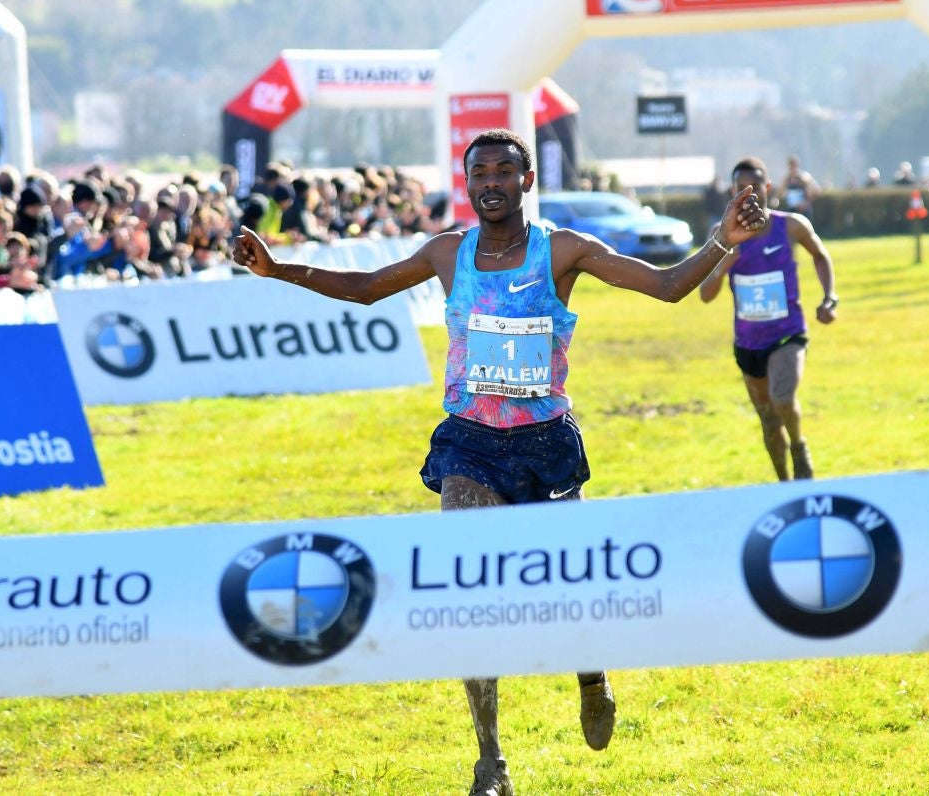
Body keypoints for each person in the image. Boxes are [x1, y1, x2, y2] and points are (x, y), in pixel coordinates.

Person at [233, 128, 768, 796]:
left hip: (544, 440)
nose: (490, 181)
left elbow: (664, 286)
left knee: (568, 590)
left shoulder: (564, 250)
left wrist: (722, 242)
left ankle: (591, 675)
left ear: (526, 180)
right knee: (470, 588)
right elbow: (367, 286)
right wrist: (276, 267)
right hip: (471, 442)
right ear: (468, 183)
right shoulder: (446, 253)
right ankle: (490, 759)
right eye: (478, 171)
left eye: (503, 170)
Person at [700, 157, 837, 482]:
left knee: (782, 398)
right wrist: (723, 262)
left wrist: (829, 297)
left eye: (755, 187)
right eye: (740, 189)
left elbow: (820, 255)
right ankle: (783, 484)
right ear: (732, 194)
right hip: (748, 343)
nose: (749, 195)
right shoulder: (722, 235)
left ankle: (799, 447)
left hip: (788, 333)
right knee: (767, 419)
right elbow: (705, 295)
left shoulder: (791, 226)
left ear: (768, 188)